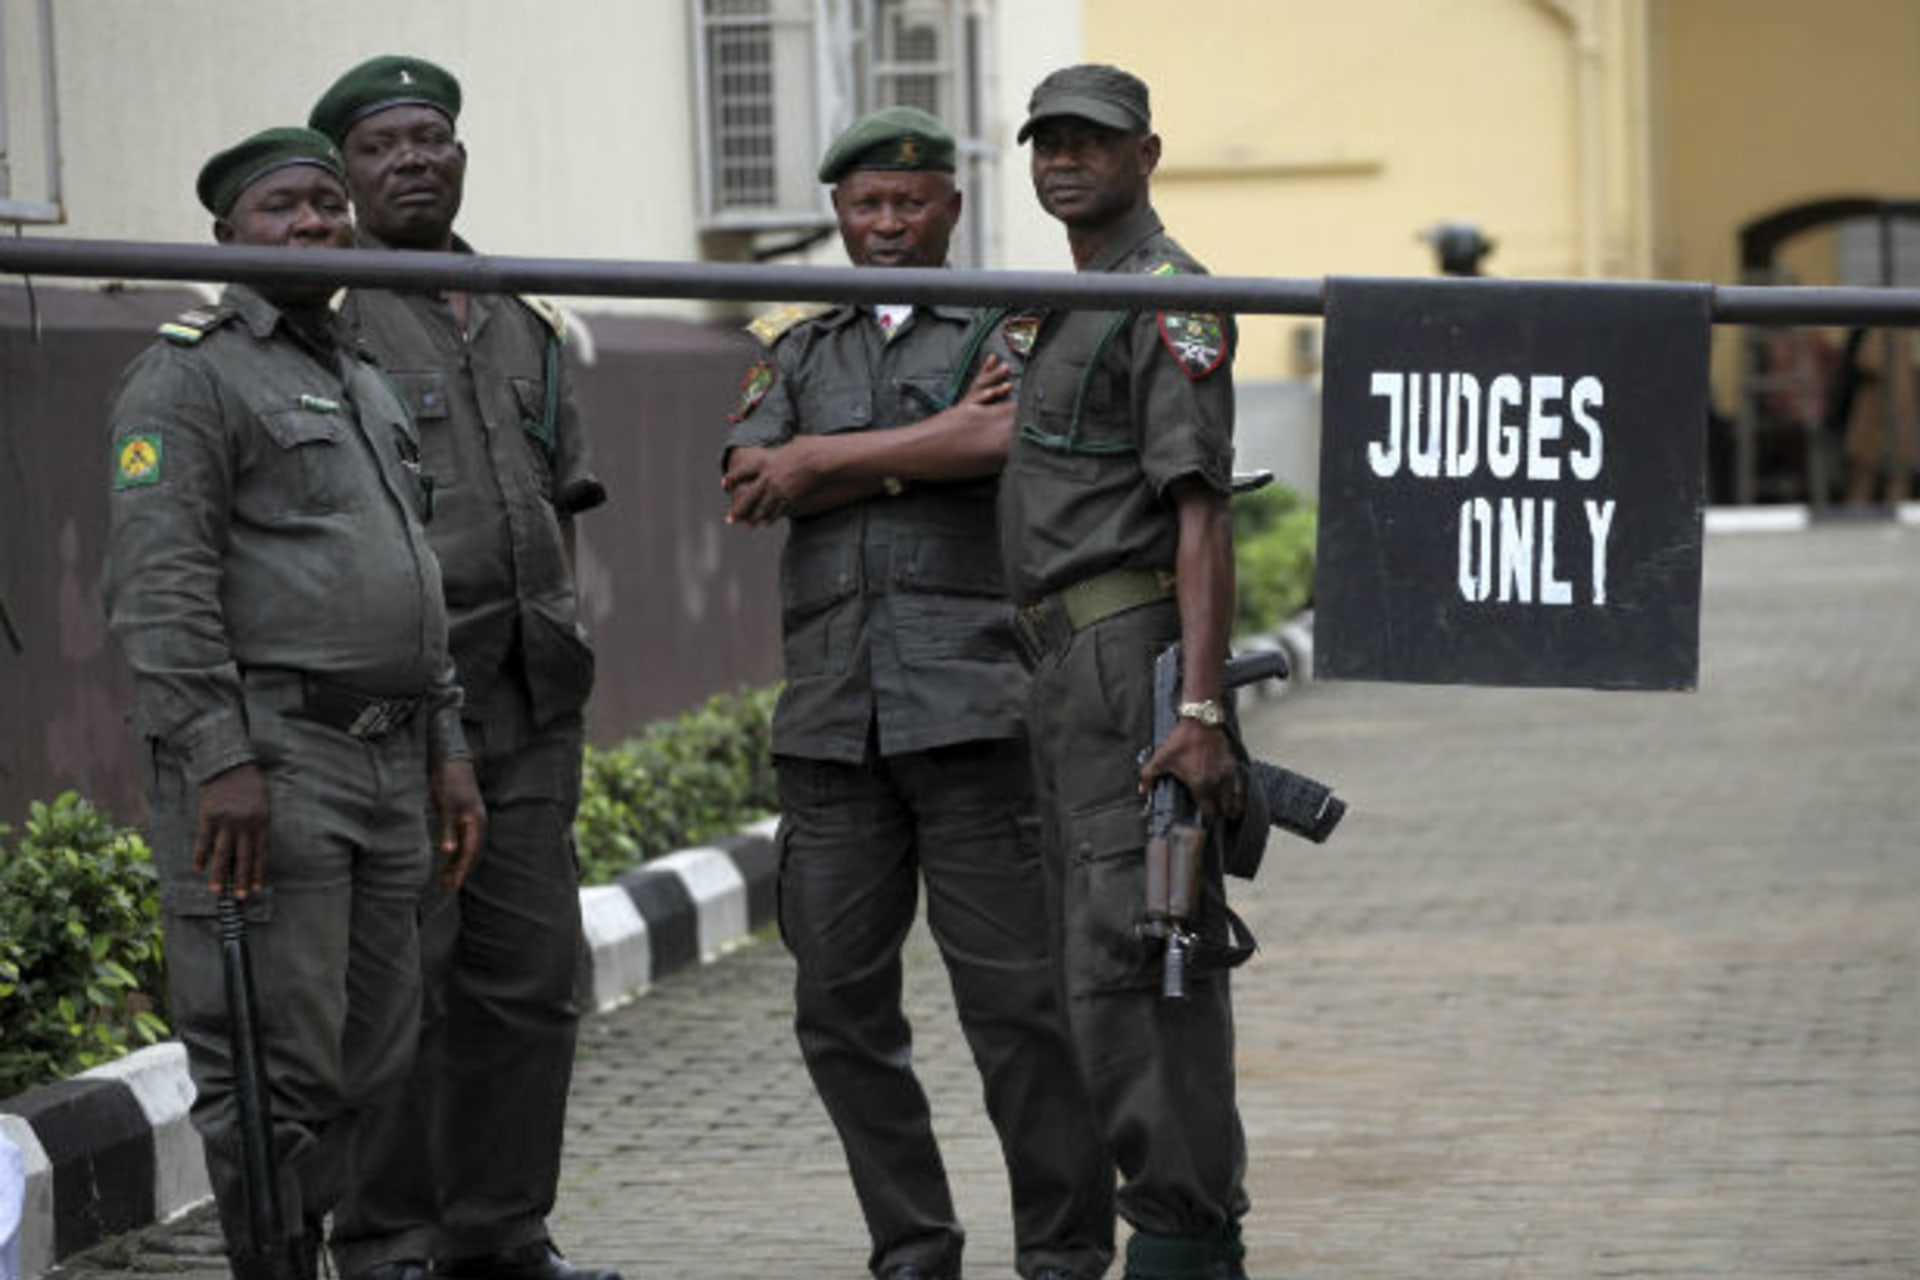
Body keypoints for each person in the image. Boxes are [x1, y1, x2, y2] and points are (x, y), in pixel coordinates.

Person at [720, 106, 1114, 1280]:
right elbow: (750, 481)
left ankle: (1063, 1250)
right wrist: (919, 440)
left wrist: (821, 462)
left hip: (977, 710)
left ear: (951, 206)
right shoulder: (792, 340)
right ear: (837, 215)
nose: (886, 221)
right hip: (834, 726)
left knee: (1021, 1011)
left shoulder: (1012, 318)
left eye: (910, 201)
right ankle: (913, 1245)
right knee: (838, 1010)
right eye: (864, 204)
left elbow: (1005, 444)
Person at [102, 126, 485, 1279]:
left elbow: (413, 571)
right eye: (284, 208)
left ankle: (352, 1252)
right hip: (272, 760)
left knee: (376, 1053)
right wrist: (221, 756)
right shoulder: (187, 373)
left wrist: (449, 746)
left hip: (386, 759)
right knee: (272, 1061)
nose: (316, 224)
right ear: (227, 234)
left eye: (328, 204)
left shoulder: (356, 377)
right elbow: (158, 586)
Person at [305, 56, 614, 1280]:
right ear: (345, 172)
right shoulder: (325, 318)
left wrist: (570, 632)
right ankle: (388, 1241)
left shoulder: (522, 319)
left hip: (531, 702)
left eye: (430, 137)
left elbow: (562, 502)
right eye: (382, 145)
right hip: (397, 717)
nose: (412, 160)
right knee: (404, 990)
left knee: (532, 980)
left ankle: (502, 1229)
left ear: (463, 153)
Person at [1003, 66, 1258, 1280]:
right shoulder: (1068, 299)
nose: (1065, 158)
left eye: (1091, 141)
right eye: (1047, 139)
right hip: (1062, 666)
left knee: (1142, 962)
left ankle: (1188, 1241)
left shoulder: (1168, 302)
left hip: (1126, 658)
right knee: (1097, 962)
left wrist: (1201, 708)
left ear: (1146, 153)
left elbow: (1201, 515)